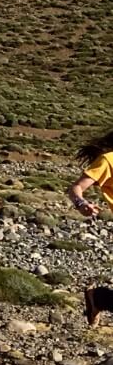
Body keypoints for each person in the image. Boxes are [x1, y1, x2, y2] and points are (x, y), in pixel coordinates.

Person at [67, 127, 113, 325]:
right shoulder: (108, 161)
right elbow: (75, 188)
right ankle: (98, 298)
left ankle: (98, 298)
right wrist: (81, 203)